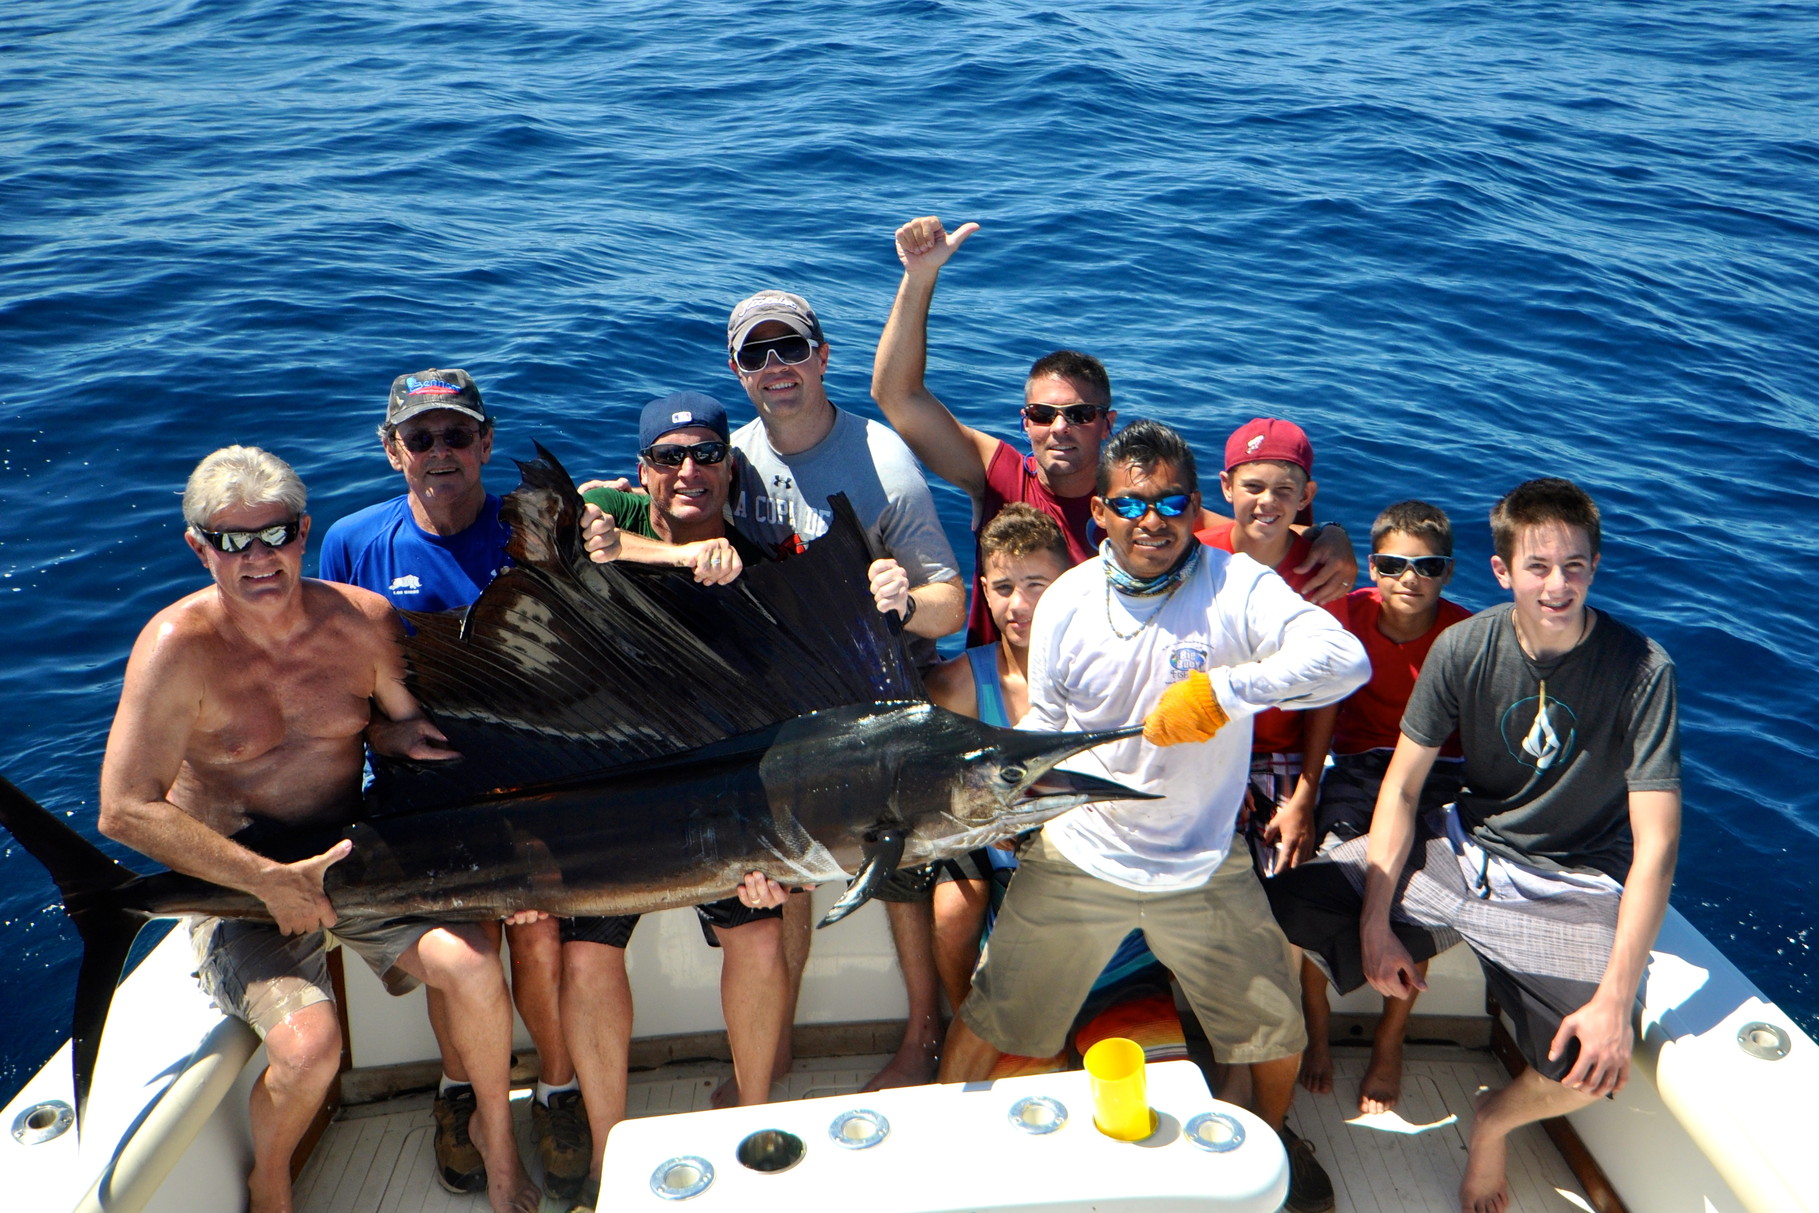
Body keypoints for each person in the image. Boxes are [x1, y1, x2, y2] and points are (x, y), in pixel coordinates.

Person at [938, 420, 1369, 1213]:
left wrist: (1223, 692)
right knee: (990, 1017)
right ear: (1098, 511)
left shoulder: (1236, 585)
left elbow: (1348, 661)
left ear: (1195, 505)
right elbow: (1055, 731)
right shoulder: (1066, 598)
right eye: (1131, 502)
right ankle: (934, 1143)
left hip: (1204, 864)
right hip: (1078, 854)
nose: (1152, 519)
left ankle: (1266, 1158)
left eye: (1171, 501)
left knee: (1277, 1039)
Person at [98, 446, 538, 1213]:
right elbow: (125, 808)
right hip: (239, 884)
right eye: (232, 541)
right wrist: (264, 878)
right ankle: (269, 1176)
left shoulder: (364, 620)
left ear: (306, 532)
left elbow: (407, 732)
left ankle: (499, 1147)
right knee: (309, 1051)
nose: (259, 558)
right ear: (198, 547)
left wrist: (395, 742)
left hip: (354, 859)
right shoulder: (175, 648)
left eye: (277, 534)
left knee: (472, 964)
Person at [1266, 478, 1680, 1213]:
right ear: (1501, 571)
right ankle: (1429, 944)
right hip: (1464, 852)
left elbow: (1654, 846)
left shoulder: (1641, 668)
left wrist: (1615, 999)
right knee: (1279, 902)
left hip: (1572, 881)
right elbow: (1397, 790)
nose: (1556, 585)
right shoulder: (1463, 645)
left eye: (1574, 565)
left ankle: (1493, 1119)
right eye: (1537, 566)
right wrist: (1373, 923)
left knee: (1590, 1061)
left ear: (1595, 564)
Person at [317, 370, 586, 1200]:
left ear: (486, 443)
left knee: (539, 934)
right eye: (421, 437)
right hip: (421, 793)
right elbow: (324, 689)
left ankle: (556, 1088)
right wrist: (377, 730)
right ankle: (457, 1088)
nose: (441, 453)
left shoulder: (534, 528)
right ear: (391, 447)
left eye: (456, 435)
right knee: (464, 940)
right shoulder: (352, 542)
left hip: (532, 780)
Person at [871, 214, 1357, 646]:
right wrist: (920, 276)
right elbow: (897, 396)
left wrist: (1328, 535)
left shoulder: (1139, 505)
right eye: (1042, 415)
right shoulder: (997, 476)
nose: (1059, 428)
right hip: (1001, 690)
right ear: (1026, 422)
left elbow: (1248, 533)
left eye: (1080, 415)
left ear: (1107, 424)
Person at [724, 287, 966, 1093]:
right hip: (780, 708)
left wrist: (902, 604)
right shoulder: (725, 458)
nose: (775, 368)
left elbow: (951, 601)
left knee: (895, 863)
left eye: (789, 348)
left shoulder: (881, 459)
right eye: (756, 355)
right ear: (737, 371)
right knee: (782, 869)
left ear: (823, 356)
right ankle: (778, 1036)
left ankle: (921, 1037)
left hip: (873, 699)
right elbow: (656, 521)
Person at [563, 392, 791, 1205]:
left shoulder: (764, 567)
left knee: (760, 938)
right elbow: (562, 512)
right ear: (643, 473)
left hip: (720, 800)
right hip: (614, 798)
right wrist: (672, 558)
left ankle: (755, 1120)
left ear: (730, 467)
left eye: (704, 455)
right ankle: (604, 1153)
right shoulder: (597, 533)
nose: (688, 470)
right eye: (669, 457)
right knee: (586, 955)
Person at [1291, 500, 1472, 1114]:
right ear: (1370, 566)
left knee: (1413, 895)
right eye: (1393, 563)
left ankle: (1389, 1042)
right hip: (1359, 773)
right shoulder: (1342, 616)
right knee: (1321, 883)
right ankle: (1316, 1031)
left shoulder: (1467, 636)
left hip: (1438, 777)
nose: (1409, 577)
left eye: (1427, 566)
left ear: (1447, 573)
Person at [920, 503, 1069, 1012]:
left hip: (1071, 853)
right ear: (983, 591)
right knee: (953, 913)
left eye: (1037, 585)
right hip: (986, 847)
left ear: (1069, 584)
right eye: (1003, 588)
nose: (1019, 604)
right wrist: (979, 821)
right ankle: (966, 1020)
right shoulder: (956, 683)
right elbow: (929, 780)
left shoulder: (1096, 676)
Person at [1196, 418, 1334, 877]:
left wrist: (1304, 800)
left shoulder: (1322, 576)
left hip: (1280, 756)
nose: (1268, 502)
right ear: (1226, 486)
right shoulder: (1194, 559)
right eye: (1253, 486)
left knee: (1285, 877)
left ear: (1306, 496)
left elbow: (1327, 698)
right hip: (1201, 742)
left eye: (1284, 489)